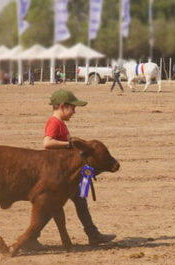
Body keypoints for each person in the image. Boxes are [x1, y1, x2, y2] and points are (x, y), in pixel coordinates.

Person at [26, 89, 116, 248]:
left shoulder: (61, 123)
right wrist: (70, 144)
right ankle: (31, 238)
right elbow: (47, 143)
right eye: (72, 108)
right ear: (62, 106)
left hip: (67, 174)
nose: (74, 111)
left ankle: (92, 234)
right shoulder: (54, 122)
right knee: (56, 206)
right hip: (59, 175)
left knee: (78, 201)